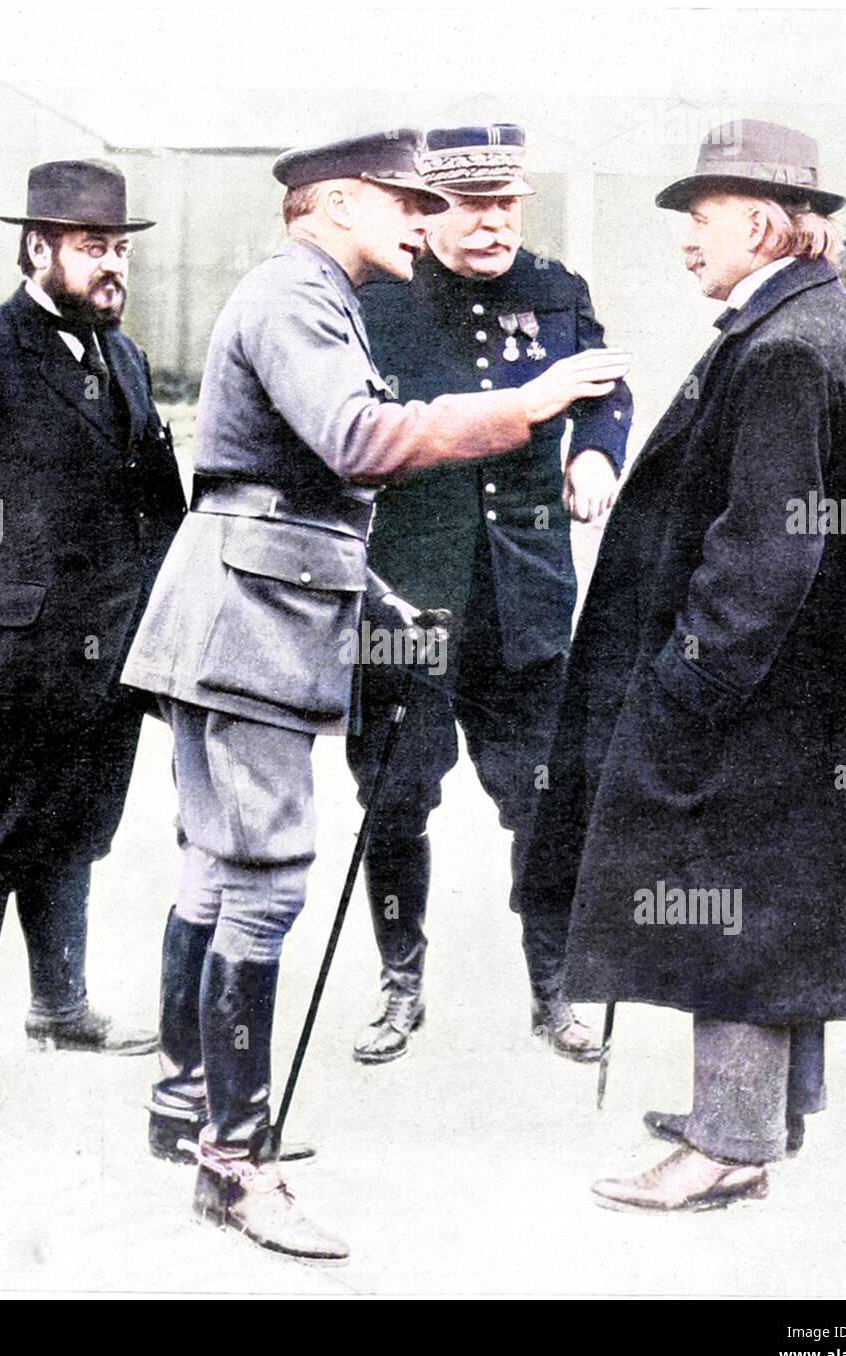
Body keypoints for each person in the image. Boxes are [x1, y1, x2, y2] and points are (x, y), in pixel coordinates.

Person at [122, 129, 629, 1260]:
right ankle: (234, 1163)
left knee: (215, 863)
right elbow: (355, 438)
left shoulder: (313, 290)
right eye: (404, 204)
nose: (424, 222)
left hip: (245, 614)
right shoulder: (299, 296)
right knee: (260, 879)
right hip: (250, 624)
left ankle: (184, 1105)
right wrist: (526, 406)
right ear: (337, 204)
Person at [520, 120, 846, 1212]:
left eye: (698, 220)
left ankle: (727, 1142)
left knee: (727, 899)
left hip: (748, 695)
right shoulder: (812, 321)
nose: (686, 242)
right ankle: (753, 1114)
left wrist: (684, 685)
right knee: (770, 902)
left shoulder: (787, 345)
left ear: (758, 220)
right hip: (798, 697)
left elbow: (762, 557)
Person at [0, 159, 186, 1108]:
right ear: (37, 247)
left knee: (79, 833)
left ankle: (60, 1008)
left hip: (112, 658)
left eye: (120, 251)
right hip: (13, 663)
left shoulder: (121, 355)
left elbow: (157, 510)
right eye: (94, 249)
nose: (113, 270)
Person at [349, 124, 633, 1065]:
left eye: (507, 205)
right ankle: (400, 984)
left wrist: (595, 450)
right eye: (472, 207)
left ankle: (554, 990)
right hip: (404, 600)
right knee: (394, 799)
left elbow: (605, 390)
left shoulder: (555, 290)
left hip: (526, 596)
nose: (493, 226)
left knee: (544, 801)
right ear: (428, 210)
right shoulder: (372, 298)